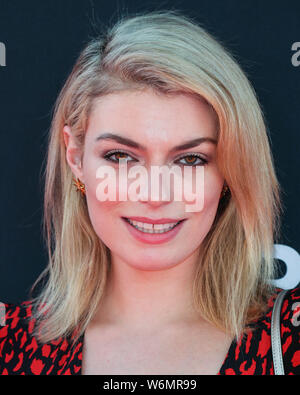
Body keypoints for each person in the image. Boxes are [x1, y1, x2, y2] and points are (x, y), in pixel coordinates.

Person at [0, 10, 299, 375]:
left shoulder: (289, 339)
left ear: (229, 171)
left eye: (190, 159)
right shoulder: (8, 344)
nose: (155, 194)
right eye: (121, 156)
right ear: (75, 158)